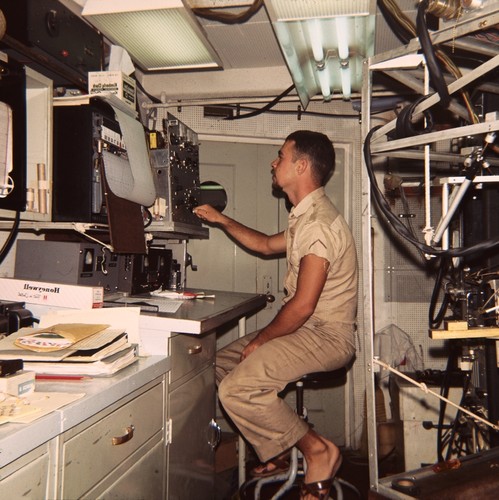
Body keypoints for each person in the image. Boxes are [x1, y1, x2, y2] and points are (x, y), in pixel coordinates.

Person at [193, 130, 358, 499]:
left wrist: (262, 340)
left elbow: (302, 306)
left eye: (280, 156)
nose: (273, 162)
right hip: (306, 330)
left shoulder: (318, 224)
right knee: (214, 367)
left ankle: (319, 451)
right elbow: (267, 245)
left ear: (300, 166)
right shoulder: (304, 216)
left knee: (239, 387)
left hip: (327, 335)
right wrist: (222, 220)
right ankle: (280, 449)